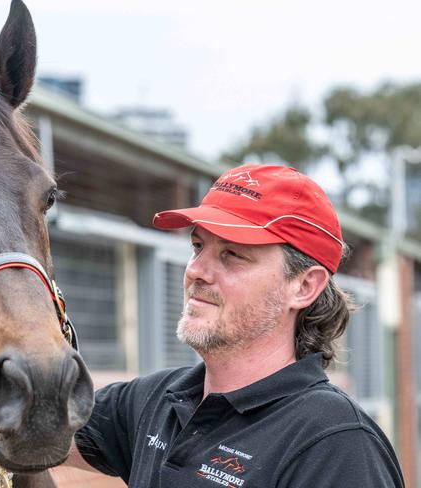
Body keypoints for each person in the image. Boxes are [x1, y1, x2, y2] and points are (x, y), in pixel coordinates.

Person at [65, 164, 405, 487]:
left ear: (303, 287)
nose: (196, 270)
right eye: (198, 246)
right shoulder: (153, 402)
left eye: (232, 254)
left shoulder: (336, 445)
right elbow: (25, 428)